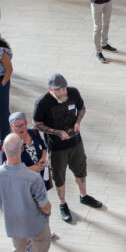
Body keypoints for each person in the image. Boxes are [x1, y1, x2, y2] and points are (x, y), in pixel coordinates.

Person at [32, 73, 103, 222]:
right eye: (59, 90)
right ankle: (63, 203)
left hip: (76, 143)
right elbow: (36, 124)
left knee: (81, 170)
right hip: (57, 148)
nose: (63, 92)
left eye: (64, 88)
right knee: (59, 176)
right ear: (50, 89)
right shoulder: (42, 103)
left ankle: (84, 196)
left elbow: (82, 109)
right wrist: (57, 132)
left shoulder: (73, 93)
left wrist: (78, 122)